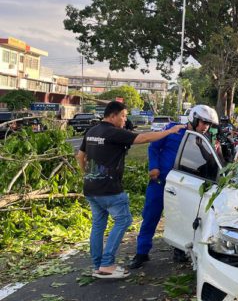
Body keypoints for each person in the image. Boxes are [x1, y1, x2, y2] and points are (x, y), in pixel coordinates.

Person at [76, 101, 186, 279]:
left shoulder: (92, 131)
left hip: (91, 188)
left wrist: (87, 175)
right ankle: (107, 264)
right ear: (113, 116)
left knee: (98, 225)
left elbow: (80, 156)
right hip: (110, 189)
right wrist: (170, 131)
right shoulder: (113, 132)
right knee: (124, 220)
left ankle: (97, 266)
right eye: (123, 116)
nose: (124, 119)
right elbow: (144, 138)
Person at [128, 104, 218, 269]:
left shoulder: (202, 138)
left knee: (183, 218)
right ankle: (141, 253)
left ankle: (180, 250)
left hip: (183, 185)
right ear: (194, 118)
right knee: (150, 216)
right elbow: (154, 147)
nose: (205, 127)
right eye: (203, 123)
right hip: (160, 181)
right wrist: (153, 166)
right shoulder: (173, 130)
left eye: (208, 124)